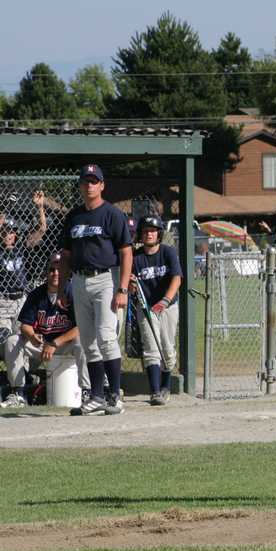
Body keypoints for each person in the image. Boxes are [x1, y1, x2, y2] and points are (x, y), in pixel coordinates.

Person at [60, 164, 133, 416]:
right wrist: (63, 288)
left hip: (106, 279)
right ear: (80, 186)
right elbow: (66, 255)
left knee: (106, 336)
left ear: (102, 185)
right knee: (88, 341)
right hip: (79, 280)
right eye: (85, 181)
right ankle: (97, 396)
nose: (89, 185)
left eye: (94, 181)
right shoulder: (73, 216)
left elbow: (126, 252)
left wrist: (122, 288)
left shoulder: (112, 214)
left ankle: (114, 396)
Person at [1, 254, 90, 408]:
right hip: (41, 345)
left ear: (66, 273)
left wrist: (54, 343)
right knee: (12, 341)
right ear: (45, 273)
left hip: (64, 344)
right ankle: (18, 393)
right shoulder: (37, 294)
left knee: (82, 341)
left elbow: (81, 327)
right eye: (52, 270)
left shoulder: (72, 292)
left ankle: (87, 392)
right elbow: (25, 325)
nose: (55, 273)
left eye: (59, 270)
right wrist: (31, 336)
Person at [130, 216, 182, 406]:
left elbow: (177, 278)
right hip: (146, 307)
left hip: (168, 305)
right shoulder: (135, 257)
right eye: (145, 231)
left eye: (152, 231)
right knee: (151, 348)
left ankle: (165, 386)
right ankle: (155, 391)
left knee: (167, 348)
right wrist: (131, 285)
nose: (149, 234)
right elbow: (130, 286)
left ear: (159, 234)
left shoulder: (168, 252)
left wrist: (165, 300)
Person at [0, 191, 48, 343]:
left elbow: (42, 229)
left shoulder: (21, 247)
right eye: (4, 232)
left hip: (21, 299)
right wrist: (6, 207)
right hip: (2, 299)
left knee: (21, 338)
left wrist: (40, 207)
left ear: (15, 234)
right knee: (3, 336)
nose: (7, 235)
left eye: (11, 232)